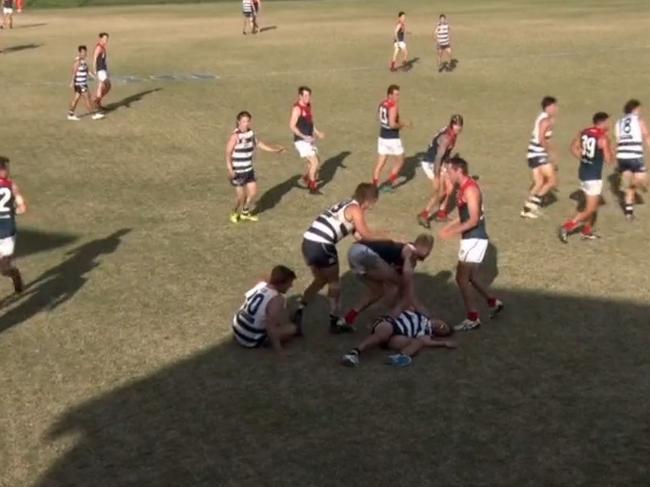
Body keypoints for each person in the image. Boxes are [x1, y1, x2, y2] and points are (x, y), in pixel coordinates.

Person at [293, 183, 385, 334]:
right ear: (369, 200)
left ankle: (299, 310)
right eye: (372, 203)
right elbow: (366, 235)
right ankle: (334, 322)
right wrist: (387, 238)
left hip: (308, 241)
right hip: (322, 244)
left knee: (320, 280)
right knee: (334, 283)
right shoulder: (356, 209)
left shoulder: (346, 203)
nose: (371, 207)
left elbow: (357, 235)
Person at [438, 156, 503, 331]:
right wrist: (450, 225)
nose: (448, 175)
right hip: (470, 238)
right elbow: (464, 215)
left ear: (459, 170)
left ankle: (472, 318)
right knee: (471, 277)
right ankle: (493, 302)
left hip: (475, 238)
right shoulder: (463, 189)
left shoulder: (471, 190)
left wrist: (452, 232)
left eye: (449, 171)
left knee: (461, 278)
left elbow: (473, 220)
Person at [344, 234, 434, 328]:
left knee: (378, 291)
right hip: (364, 252)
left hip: (354, 252)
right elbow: (406, 277)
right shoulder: (409, 251)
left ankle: (350, 316)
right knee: (398, 282)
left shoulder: (406, 250)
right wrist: (417, 305)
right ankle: (388, 317)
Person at [559, 112, 614, 243]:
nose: (610, 124)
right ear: (603, 122)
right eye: (608, 121)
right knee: (591, 208)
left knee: (593, 204)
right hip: (593, 177)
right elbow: (608, 159)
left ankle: (587, 231)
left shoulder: (584, 132)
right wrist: (611, 149)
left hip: (583, 173)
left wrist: (585, 159)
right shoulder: (603, 138)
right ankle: (567, 226)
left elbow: (573, 148)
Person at [225, 111, 285, 223]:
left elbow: (258, 144)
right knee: (240, 197)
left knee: (253, 192)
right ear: (238, 122)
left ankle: (244, 212)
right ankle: (234, 212)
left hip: (248, 170)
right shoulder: (235, 136)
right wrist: (230, 169)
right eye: (244, 121)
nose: (246, 123)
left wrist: (274, 150)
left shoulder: (250, 133)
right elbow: (228, 153)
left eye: (248, 121)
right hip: (238, 171)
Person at [341, 310, 456, 368]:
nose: (440, 327)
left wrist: (444, 343)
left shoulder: (426, 333)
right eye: (443, 325)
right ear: (440, 319)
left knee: (418, 342)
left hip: (397, 337)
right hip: (390, 324)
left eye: (442, 330)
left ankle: (399, 357)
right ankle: (354, 353)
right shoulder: (422, 314)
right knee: (385, 332)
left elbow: (426, 342)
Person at [232, 265, 300, 357]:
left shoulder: (261, 285)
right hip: (249, 338)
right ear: (281, 283)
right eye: (289, 283)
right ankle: (263, 340)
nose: (291, 286)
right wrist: (280, 351)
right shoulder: (277, 299)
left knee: (280, 313)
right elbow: (270, 327)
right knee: (292, 328)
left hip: (237, 327)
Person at [417, 114, 464, 227]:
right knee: (439, 190)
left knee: (450, 187)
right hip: (431, 163)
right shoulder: (447, 138)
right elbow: (438, 157)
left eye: (459, 125)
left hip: (440, 162)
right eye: (455, 125)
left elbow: (444, 154)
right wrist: (437, 174)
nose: (458, 127)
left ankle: (441, 214)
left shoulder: (451, 133)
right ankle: (424, 215)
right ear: (451, 124)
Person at [520, 96, 559, 219]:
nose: (556, 109)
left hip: (533, 153)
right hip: (538, 153)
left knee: (539, 182)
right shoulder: (545, 120)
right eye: (554, 106)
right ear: (548, 107)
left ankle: (527, 209)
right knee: (552, 181)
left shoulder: (543, 118)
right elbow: (541, 138)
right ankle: (532, 206)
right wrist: (550, 153)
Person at [615, 99, 649, 221]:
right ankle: (640, 185)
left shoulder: (619, 122)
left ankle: (629, 213)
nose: (640, 111)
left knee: (630, 186)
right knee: (643, 180)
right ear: (634, 109)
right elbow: (647, 136)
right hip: (634, 155)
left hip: (622, 156)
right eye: (639, 109)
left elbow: (618, 140)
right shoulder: (638, 120)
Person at [373, 84, 411, 192]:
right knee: (401, 160)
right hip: (392, 138)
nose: (398, 97)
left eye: (398, 94)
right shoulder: (393, 106)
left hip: (382, 137)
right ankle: (388, 183)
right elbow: (392, 124)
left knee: (380, 164)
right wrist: (403, 124)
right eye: (396, 94)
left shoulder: (382, 104)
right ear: (390, 95)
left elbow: (378, 118)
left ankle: (374, 186)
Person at [289, 86, 325, 194]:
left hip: (308, 139)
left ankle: (307, 177)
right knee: (315, 162)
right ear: (300, 96)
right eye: (305, 95)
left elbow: (310, 122)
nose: (307, 97)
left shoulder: (308, 106)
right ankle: (312, 187)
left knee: (312, 162)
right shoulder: (297, 109)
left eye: (308, 95)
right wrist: (303, 136)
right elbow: (291, 125)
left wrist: (317, 132)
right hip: (301, 141)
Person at [0, 157, 26, 294]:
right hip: (8, 231)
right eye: (4, 168)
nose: (7, 170)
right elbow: (22, 208)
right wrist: (11, 211)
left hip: (7, 234)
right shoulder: (12, 186)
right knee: (3, 268)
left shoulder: (12, 186)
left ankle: (15, 275)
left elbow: (22, 208)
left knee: (4, 268)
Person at [68, 46, 104, 121]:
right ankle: (93, 115)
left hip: (82, 83)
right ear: (80, 53)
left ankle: (70, 114)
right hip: (80, 83)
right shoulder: (78, 61)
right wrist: (72, 81)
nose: (84, 53)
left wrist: (94, 76)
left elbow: (87, 70)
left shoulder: (83, 61)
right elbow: (74, 71)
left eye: (85, 52)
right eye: (83, 52)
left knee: (76, 98)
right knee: (87, 97)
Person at [92, 33, 111, 113]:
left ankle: (98, 103)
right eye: (104, 38)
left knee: (101, 86)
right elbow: (94, 58)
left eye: (106, 39)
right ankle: (96, 101)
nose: (106, 40)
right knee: (108, 85)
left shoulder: (103, 47)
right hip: (100, 70)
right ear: (101, 39)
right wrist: (94, 69)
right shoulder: (99, 47)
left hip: (103, 69)